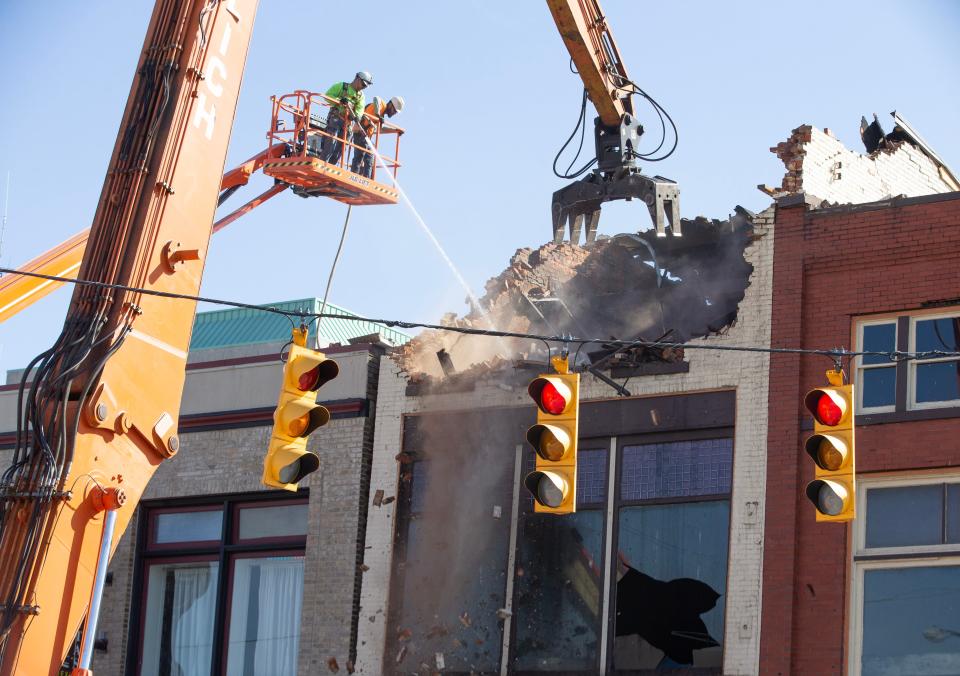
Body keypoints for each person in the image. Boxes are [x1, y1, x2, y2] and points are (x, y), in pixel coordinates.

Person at [320, 71, 373, 164]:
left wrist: (356, 116)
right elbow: (327, 96)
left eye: (365, 86)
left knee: (342, 147)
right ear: (357, 78)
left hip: (347, 123)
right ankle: (323, 163)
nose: (363, 87)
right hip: (336, 118)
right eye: (363, 84)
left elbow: (360, 110)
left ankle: (331, 165)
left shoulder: (360, 96)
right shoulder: (341, 86)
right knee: (331, 141)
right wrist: (340, 100)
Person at [350, 95, 404, 177]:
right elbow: (376, 98)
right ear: (390, 105)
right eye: (394, 111)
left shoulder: (381, 116)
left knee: (369, 159)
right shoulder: (382, 105)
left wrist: (395, 130)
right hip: (360, 133)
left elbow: (380, 129)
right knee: (360, 156)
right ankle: (354, 176)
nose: (394, 113)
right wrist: (378, 114)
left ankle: (366, 179)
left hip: (366, 136)